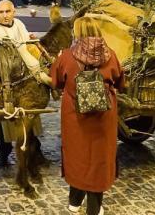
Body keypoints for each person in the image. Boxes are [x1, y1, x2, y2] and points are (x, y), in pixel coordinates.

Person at [50, 15, 124, 215]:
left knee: (77, 157)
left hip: (76, 118)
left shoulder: (66, 56)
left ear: (77, 33)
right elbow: (120, 82)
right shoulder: (111, 56)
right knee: (99, 158)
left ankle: (74, 202)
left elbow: (55, 81)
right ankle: (95, 207)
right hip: (103, 119)